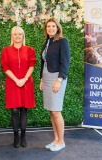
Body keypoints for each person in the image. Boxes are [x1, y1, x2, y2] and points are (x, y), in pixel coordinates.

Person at [0, 26, 36, 148]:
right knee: (14, 110)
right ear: (12, 36)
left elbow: (32, 65)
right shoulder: (6, 50)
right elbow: (5, 67)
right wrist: (16, 80)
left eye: (20, 34)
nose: (17, 36)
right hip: (12, 83)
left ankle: (23, 136)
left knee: (24, 109)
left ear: (23, 36)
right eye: (15, 34)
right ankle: (16, 136)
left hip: (26, 82)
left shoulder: (29, 49)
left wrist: (24, 79)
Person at [40, 18, 70, 152]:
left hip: (56, 77)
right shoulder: (47, 42)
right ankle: (56, 139)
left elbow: (65, 62)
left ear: (57, 28)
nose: (51, 28)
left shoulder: (62, 41)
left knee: (56, 111)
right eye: (48, 27)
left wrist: (59, 80)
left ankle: (61, 141)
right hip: (46, 78)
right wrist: (41, 78)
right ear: (46, 29)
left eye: (53, 26)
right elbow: (43, 62)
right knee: (51, 111)